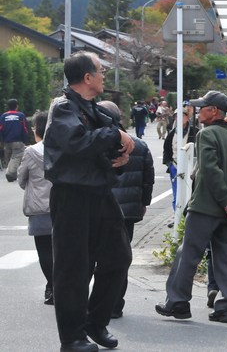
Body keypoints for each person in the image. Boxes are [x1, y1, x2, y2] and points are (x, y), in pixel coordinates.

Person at [44, 51, 135, 352]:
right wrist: (115, 136)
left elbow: (100, 146)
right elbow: (76, 143)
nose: (104, 75)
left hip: (99, 191)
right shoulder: (63, 107)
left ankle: (95, 321)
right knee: (73, 268)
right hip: (72, 194)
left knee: (119, 256)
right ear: (87, 77)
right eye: (100, 70)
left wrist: (117, 156)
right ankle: (71, 338)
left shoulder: (91, 107)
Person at [155, 90, 227, 324]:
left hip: (206, 206)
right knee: (225, 255)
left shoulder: (206, 134)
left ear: (214, 111)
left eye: (203, 107)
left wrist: (225, 201)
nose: (198, 111)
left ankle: (178, 302)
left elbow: (209, 170)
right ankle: (226, 304)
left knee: (188, 252)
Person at [98, 100, 155, 319]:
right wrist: (143, 204)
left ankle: (97, 303)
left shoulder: (97, 144)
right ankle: (115, 304)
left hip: (101, 210)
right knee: (121, 258)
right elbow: (147, 179)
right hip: (128, 212)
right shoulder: (139, 144)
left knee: (97, 257)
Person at [17, 110, 53, 305]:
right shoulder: (63, 148)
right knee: (62, 251)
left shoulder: (30, 152)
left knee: (45, 250)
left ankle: (53, 286)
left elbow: (22, 180)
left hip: (39, 208)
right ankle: (58, 287)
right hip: (63, 206)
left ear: (36, 128)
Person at [163, 105, 197, 213]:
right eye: (177, 116)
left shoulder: (195, 132)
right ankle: (177, 217)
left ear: (187, 118)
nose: (180, 118)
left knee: (190, 193)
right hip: (175, 165)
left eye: (182, 116)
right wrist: (170, 164)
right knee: (177, 194)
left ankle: (187, 218)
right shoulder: (172, 134)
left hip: (191, 167)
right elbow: (166, 150)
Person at [1, 97, 29, 182]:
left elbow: (1, 128)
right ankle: (10, 173)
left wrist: (1, 140)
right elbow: (24, 128)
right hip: (18, 141)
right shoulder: (20, 115)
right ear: (17, 106)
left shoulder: (3, 116)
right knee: (16, 157)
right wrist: (25, 139)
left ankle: (12, 175)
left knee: (9, 158)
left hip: (6, 141)